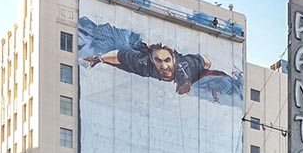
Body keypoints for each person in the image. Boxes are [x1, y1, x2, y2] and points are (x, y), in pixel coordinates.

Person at [82, 43, 214, 95]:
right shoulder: (144, 62)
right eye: (158, 60)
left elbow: (206, 62)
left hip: (185, 70)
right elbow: (119, 55)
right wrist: (99, 59)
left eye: (167, 60)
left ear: (173, 58)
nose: (163, 66)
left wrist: (198, 75)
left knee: (183, 70)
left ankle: (184, 80)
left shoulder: (188, 62)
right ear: (152, 58)